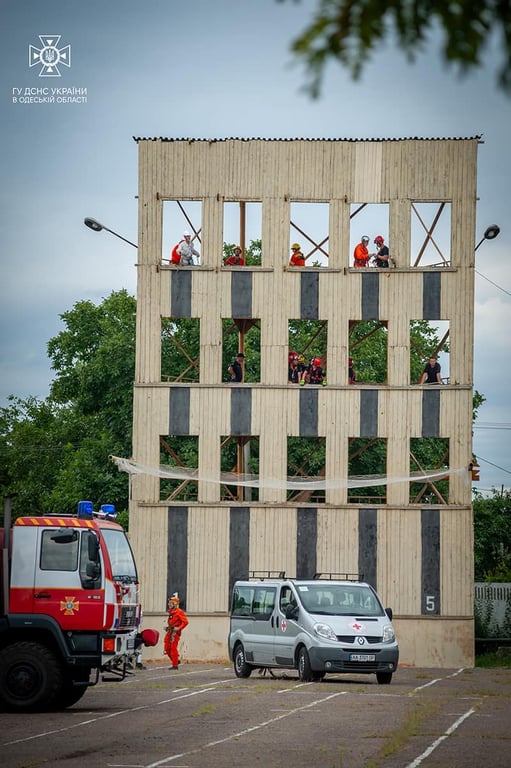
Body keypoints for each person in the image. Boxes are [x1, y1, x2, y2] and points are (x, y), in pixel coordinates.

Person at [164, 592, 189, 670]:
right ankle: (175, 660)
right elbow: (171, 622)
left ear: (174, 604)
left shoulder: (179, 612)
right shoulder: (171, 612)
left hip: (175, 633)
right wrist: (168, 628)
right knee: (167, 648)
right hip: (170, 631)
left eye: (170, 603)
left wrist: (179, 628)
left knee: (173, 648)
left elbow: (185, 622)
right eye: (169, 603)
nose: (169, 604)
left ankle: (175, 665)